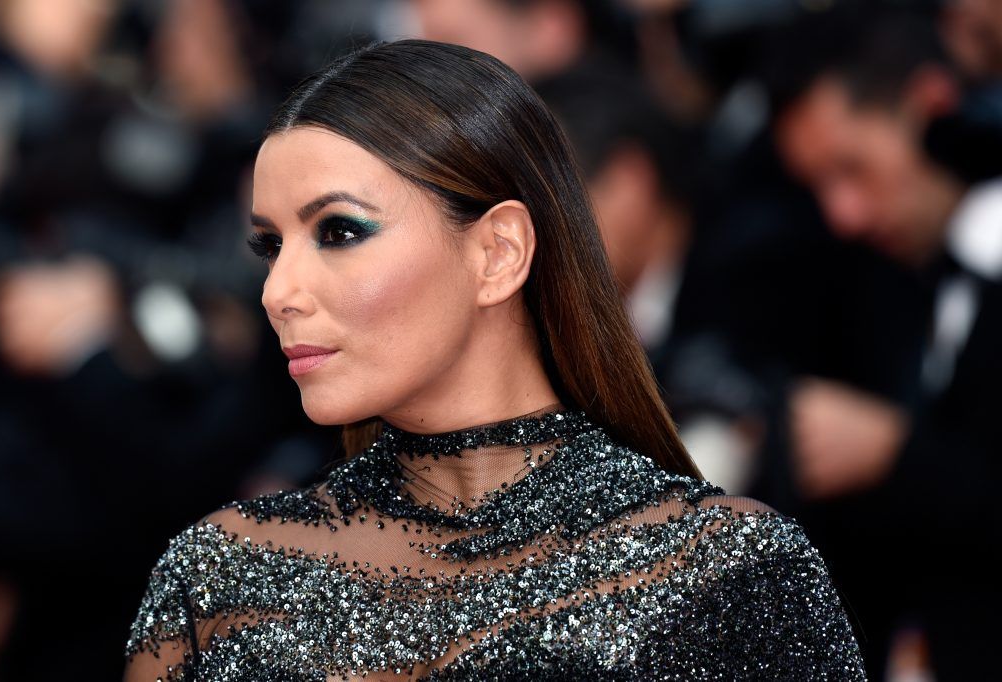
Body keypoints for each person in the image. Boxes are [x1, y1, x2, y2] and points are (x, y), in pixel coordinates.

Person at [123, 40, 865, 680]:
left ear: (498, 253)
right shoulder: (218, 576)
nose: (278, 291)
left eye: (340, 232)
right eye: (270, 246)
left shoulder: (723, 569)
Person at [773, 8, 1000, 679]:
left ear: (931, 107)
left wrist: (896, 455)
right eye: (817, 185)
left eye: (853, 169)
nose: (843, 216)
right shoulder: (900, 283)